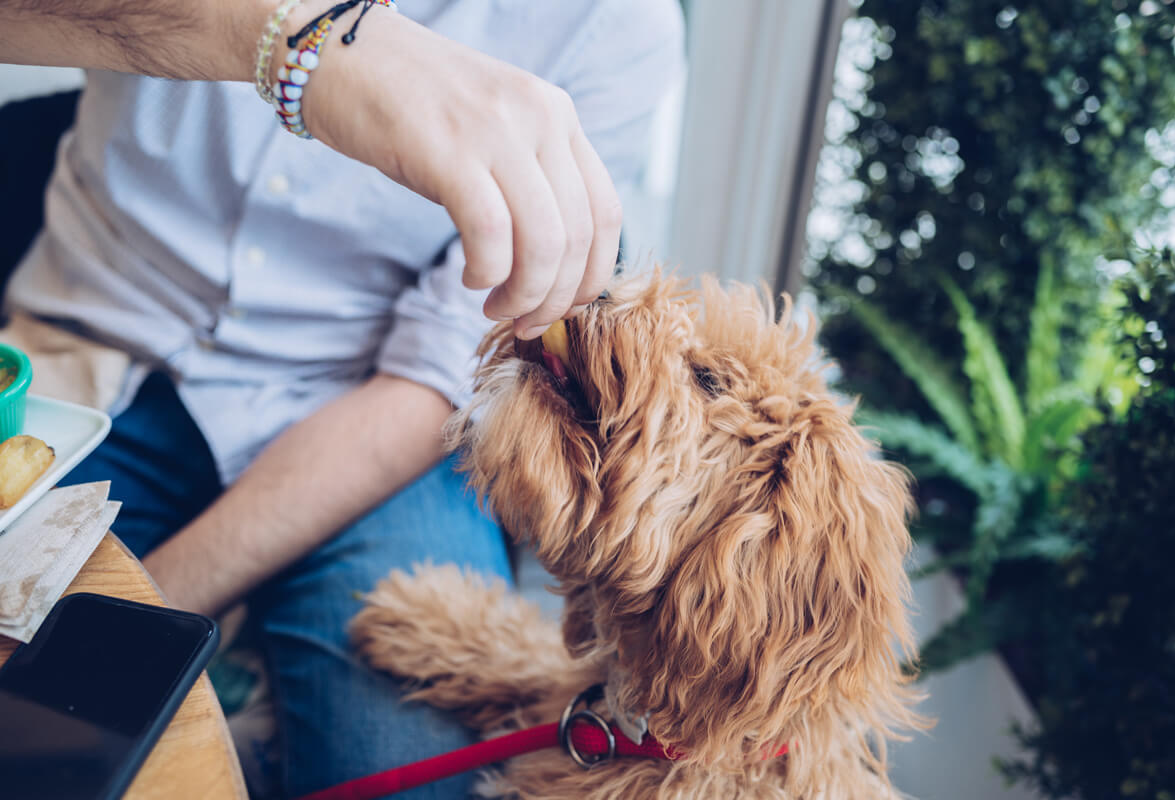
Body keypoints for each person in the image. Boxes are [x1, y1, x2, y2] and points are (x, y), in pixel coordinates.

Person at [0, 0, 684, 796]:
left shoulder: (620, 26)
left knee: (409, 780)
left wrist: (125, 627)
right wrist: (287, 40)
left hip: (373, 419)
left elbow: (436, 372)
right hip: (93, 345)